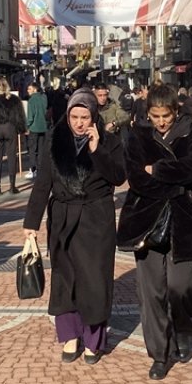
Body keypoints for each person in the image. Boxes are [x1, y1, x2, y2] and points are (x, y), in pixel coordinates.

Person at [23, 89, 126, 365]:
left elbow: (118, 177)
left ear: (94, 116)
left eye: (85, 117)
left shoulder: (110, 141)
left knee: (95, 279)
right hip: (63, 218)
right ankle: (70, 335)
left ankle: (93, 340)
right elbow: (43, 182)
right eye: (74, 116)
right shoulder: (55, 141)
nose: (79, 123)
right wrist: (31, 224)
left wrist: (97, 150)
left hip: (96, 218)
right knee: (65, 279)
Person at [119, 85, 192, 380]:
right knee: (151, 293)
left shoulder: (189, 128)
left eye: (165, 116)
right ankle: (160, 354)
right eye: (155, 116)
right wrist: (176, 177)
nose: (160, 121)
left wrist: (157, 170)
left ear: (175, 111)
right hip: (147, 221)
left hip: (184, 218)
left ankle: (183, 327)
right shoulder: (138, 134)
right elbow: (135, 177)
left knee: (181, 287)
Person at [0, 76, 27, 194]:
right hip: (10, 128)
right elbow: (20, 116)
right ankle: (12, 187)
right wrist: (20, 130)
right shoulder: (15, 99)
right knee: (12, 156)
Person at [25, 82, 48, 180]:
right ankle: (40, 169)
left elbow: (31, 116)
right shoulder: (44, 98)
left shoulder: (32, 100)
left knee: (32, 149)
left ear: (34, 89)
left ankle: (32, 169)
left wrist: (27, 126)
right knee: (41, 150)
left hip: (34, 127)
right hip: (43, 126)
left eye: (29, 89)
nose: (28, 91)